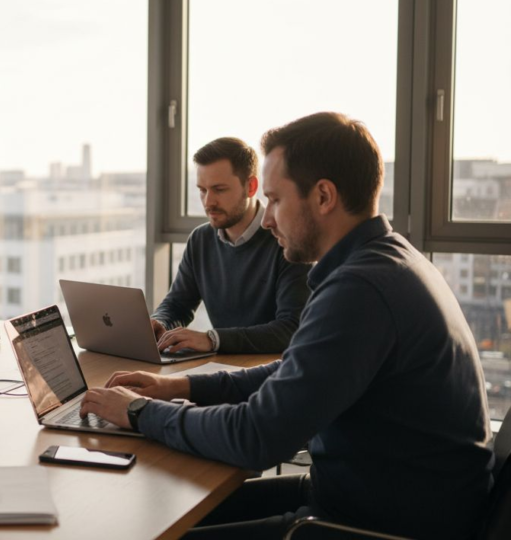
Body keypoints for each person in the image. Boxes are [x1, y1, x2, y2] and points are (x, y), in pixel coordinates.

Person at [80, 113, 493, 539]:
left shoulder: (361, 290)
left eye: (275, 200)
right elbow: (295, 371)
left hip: (380, 525)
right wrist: (181, 388)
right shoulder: (384, 259)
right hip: (368, 496)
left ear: (324, 196)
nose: (269, 218)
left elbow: (255, 435)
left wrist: (138, 412)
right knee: (163, 518)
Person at [152, 137, 310, 355]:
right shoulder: (200, 239)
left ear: (251, 186)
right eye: (202, 190)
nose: (208, 202)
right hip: (221, 368)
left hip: (271, 374)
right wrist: (159, 323)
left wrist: (213, 339)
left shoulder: (288, 241)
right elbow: (178, 305)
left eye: (219, 189)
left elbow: (291, 329)